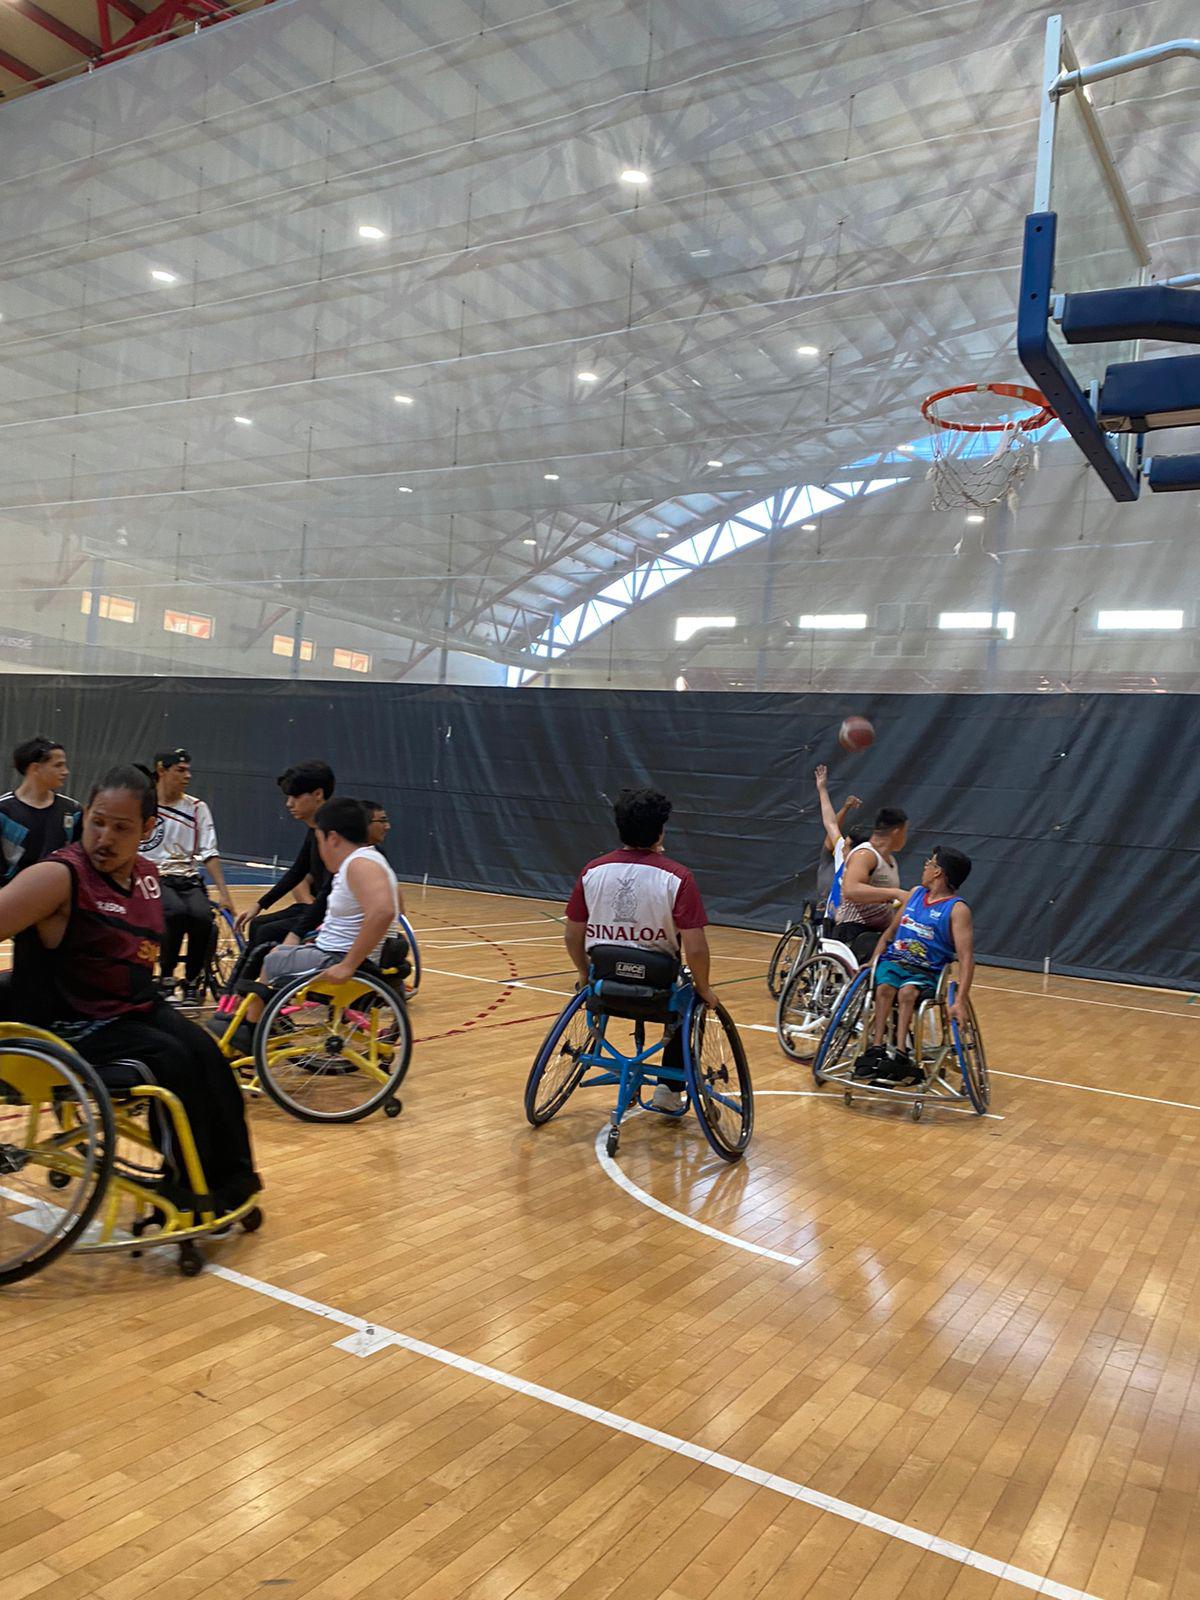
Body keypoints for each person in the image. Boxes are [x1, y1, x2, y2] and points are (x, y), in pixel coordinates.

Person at [0, 765, 260, 1213]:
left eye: (121, 828)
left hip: (126, 1007)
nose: (104, 837)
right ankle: (186, 1189)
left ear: (148, 828)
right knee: (171, 1060)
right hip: (71, 1019)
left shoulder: (146, 875)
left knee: (209, 1054)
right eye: (97, 821)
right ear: (84, 816)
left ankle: (232, 1181)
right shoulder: (58, 876)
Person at [564, 786, 714, 1111]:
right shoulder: (678, 878)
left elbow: (573, 935)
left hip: (604, 985)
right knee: (691, 996)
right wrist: (704, 988)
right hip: (657, 991)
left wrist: (581, 971)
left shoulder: (592, 871)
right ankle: (669, 1090)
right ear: (661, 830)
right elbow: (696, 948)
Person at [218, 797, 399, 1049]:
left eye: (319, 840)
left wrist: (348, 965)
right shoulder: (367, 861)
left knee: (271, 958)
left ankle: (254, 1029)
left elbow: (383, 911)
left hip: (339, 959)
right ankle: (259, 1021)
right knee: (274, 951)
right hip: (336, 953)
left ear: (332, 838)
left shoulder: (359, 865)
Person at [217, 761, 335, 1009]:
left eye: (295, 796)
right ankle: (241, 993)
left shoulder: (332, 833)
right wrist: (259, 905)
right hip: (318, 908)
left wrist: (296, 933)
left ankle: (247, 998)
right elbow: (297, 871)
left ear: (318, 794)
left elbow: (329, 893)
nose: (288, 804)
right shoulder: (315, 829)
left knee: (266, 934)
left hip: (331, 914)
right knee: (259, 924)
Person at [858, 845, 975, 1087]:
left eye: (929, 862)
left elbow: (966, 958)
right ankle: (876, 1048)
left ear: (938, 873)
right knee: (883, 989)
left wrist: (959, 1001)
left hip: (927, 970)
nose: (925, 866)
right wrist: (874, 959)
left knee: (907, 992)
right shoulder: (914, 894)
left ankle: (901, 1054)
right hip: (894, 961)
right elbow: (889, 933)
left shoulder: (957, 909)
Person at [140, 748, 236, 1004]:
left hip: (186, 876)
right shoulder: (144, 805)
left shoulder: (196, 807)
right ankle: (167, 977)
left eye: (188, 770)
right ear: (161, 771)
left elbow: (210, 852)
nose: (187, 776)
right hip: (152, 877)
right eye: (180, 770)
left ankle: (192, 980)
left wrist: (224, 894)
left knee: (202, 916)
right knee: (174, 913)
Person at [833, 804, 910, 963]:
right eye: (905, 832)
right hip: (854, 930)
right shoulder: (865, 854)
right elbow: (851, 890)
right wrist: (895, 893)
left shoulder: (890, 860)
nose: (906, 837)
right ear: (897, 832)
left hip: (878, 932)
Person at [0, 735, 80, 884]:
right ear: (35, 768)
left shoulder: (73, 810)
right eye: (58, 765)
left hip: (57, 898)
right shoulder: (4, 811)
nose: (65, 771)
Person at [813, 766, 861, 918]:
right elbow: (831, 825)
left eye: (846, 845)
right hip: (826, 909)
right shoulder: (835, 856)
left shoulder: (861, 869)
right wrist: (822, 789)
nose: (842, 847)